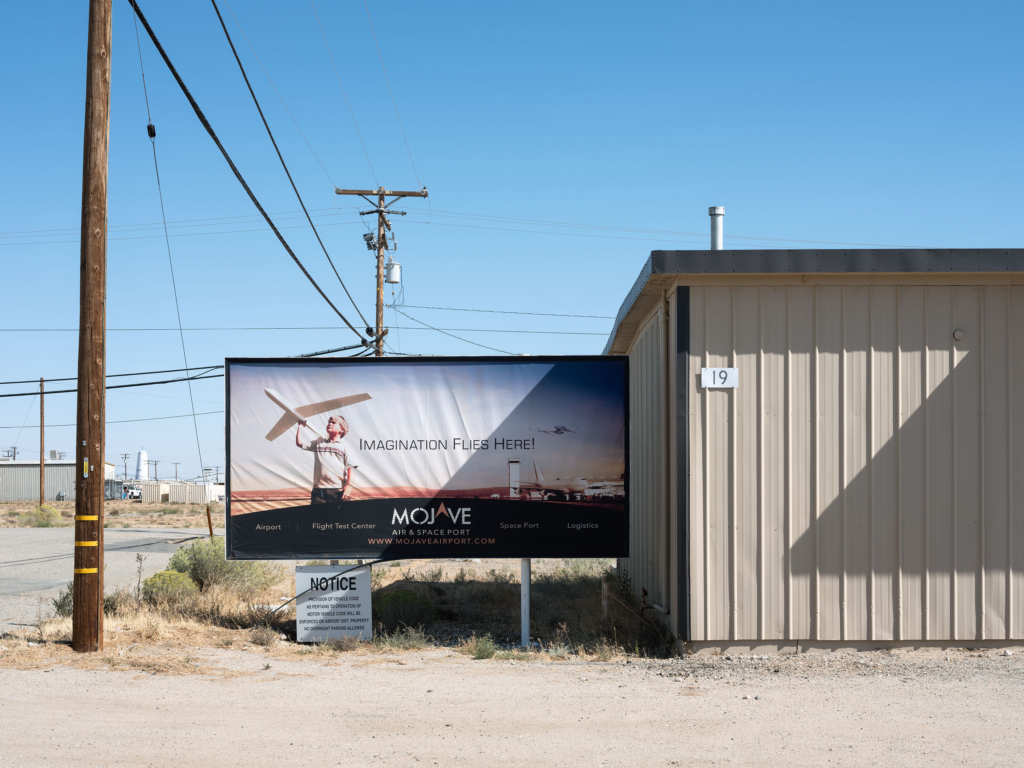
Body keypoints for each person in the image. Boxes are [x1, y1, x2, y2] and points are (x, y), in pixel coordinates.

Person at [295, 415, 356, 504]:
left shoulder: (344, 446)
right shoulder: (318, 443)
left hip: (337, 490)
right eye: (329, 422)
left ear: (341, 430)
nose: (330, 424)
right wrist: (301, 425)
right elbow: (300, 443)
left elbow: (351, 467)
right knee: (318, 517)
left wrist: (349, 485)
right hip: (318, 490)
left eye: (333, 422)